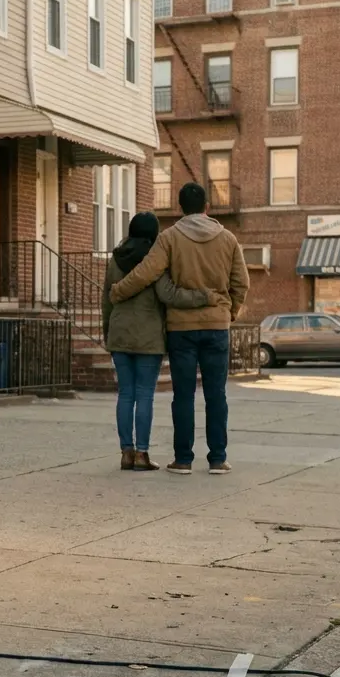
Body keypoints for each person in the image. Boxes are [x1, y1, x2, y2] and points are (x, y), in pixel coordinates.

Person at [109, 183, 249, 475]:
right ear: (207, 207)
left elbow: (146, 272)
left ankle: (183, 459)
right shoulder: (228, 239)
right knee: (216, 395)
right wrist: (229, 312)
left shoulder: (169, 238)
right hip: (216, 326)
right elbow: (241, 283)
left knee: (183, 395)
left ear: (180, 208)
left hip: (181, 330)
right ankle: (217, 459)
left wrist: (118, 291)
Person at [102, 212, 219, 472]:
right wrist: (203, 297)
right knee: (144, 395)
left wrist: (107, 330)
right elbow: (167, 294)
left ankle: (125, 452)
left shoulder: (116, 257)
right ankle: (142, 454)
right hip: (149, 336)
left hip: (119, 333)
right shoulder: (156, 258)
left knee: (125, 394)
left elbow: (106, 298)